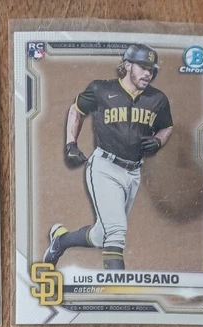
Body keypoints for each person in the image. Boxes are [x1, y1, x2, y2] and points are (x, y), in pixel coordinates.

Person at [43, 44, 173, 271]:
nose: (148, 73)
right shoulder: (101, 90)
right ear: (128, 65)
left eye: (151, 69)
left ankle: (61, 241)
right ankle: (117, 288)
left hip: (133, 173)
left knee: (102, 235)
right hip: (105, 168)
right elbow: (76, 110)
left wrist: (158, 140)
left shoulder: (157, 99)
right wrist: (71, 144)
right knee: (116, 232)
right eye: (143, 67)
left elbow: (167, 127)